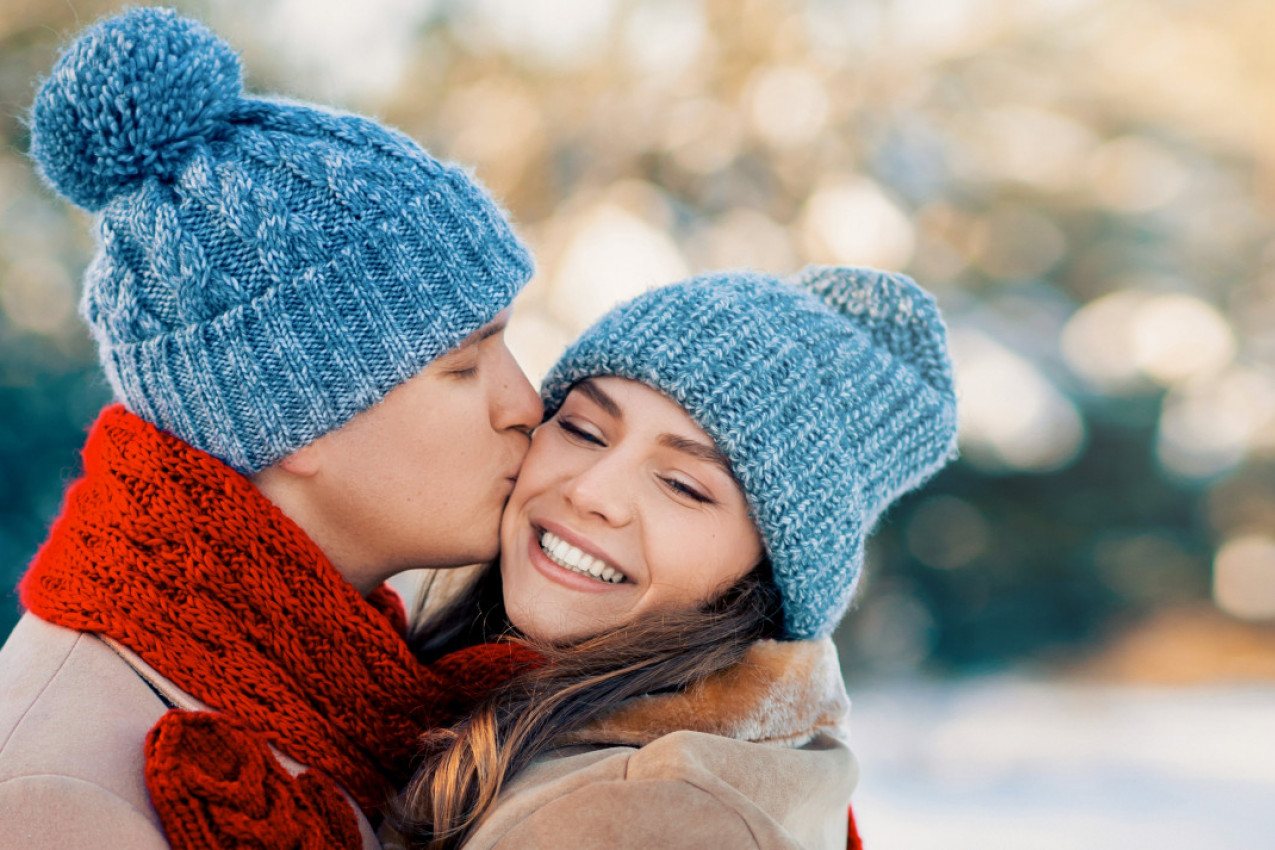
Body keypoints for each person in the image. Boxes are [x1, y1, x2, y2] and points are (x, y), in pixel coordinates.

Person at [0, 7, 543, 847]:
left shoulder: (344, 688)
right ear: (294, 417)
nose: (525, 405)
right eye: (464, 367)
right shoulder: (55, 796)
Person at [387, 265, 960, 849]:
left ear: (767, 573)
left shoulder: (648, 815)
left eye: (682, 485)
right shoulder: (456, 702)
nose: (590, 492)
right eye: (583, 430)